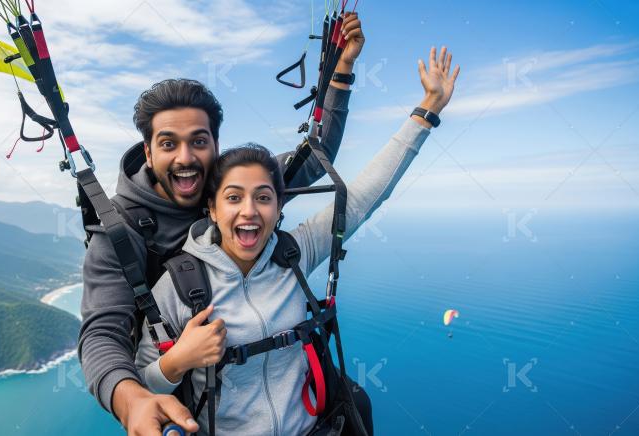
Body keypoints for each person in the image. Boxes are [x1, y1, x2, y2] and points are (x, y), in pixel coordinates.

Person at [135, 47, 460, 435]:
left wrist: (427, 110)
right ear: (212, 208)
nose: (249, 211)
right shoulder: (179, 284)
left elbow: (363, 197)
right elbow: (145, 382)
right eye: (234, 197)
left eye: (263, 197)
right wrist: (178, 361)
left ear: (278, 207)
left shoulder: (293, 254)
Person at [78, 13, 366, 435]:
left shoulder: (233, 188)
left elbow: (313, 157)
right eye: (168, 143)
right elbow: (101, 334)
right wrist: (131, 398)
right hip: (190, 404)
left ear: (215, 143)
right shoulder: (120, 230)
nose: (185, 158)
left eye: (199, 141)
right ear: (148, 150)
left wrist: (340, 73)